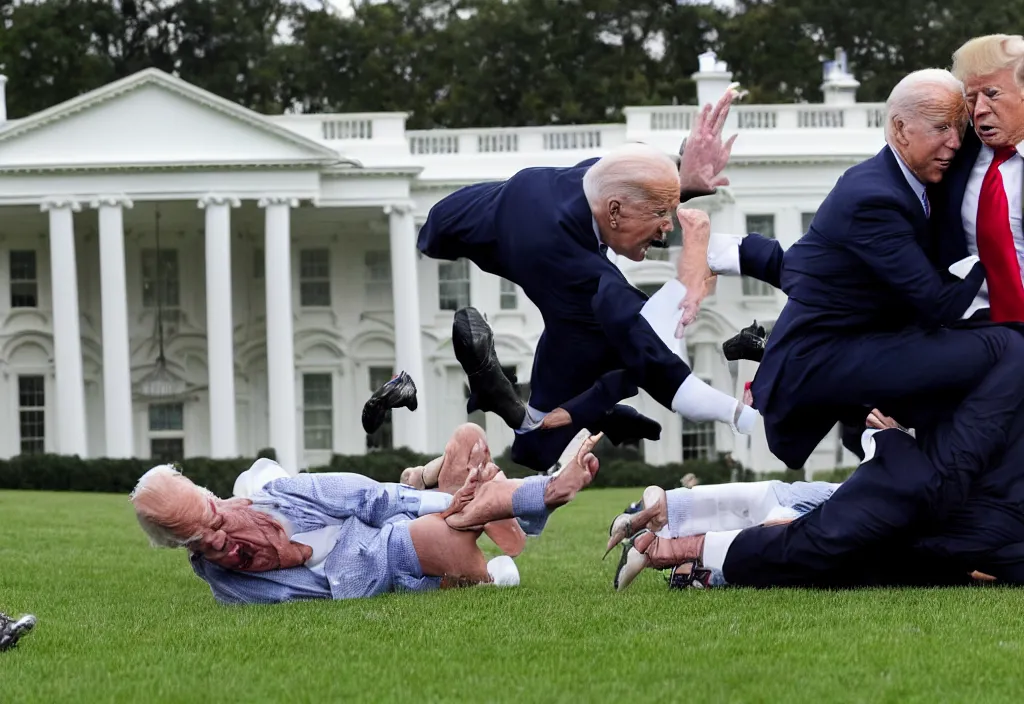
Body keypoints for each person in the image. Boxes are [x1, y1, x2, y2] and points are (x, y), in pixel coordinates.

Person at [414, 89, 757, 473]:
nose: (666, 233)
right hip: (486, 231)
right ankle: (575, 411)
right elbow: (669, 374)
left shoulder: (596, 179)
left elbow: (633, 182)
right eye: (662, 215)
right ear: (613, 212)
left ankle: (575, 416)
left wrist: (684, 178)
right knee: (627, 341)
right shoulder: (580, 272)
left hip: (489, 215)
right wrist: (744, 416)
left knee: (542, 441)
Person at [704, 69, 1024, 471]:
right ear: (901, 129)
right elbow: (937, 303)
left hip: (859, 350)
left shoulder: (915, 182)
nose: (955, 142)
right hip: (830, 360)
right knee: (1007, 347)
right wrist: (995, 249)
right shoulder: (873, 197)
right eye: (942, 128)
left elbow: (804, 267)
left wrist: (733, 254)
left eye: (958, 129)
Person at [607, 327, 1024, 590]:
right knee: (829, 532)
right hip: (926, 484)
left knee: (823, 510)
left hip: (921, 475)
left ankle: (673, 520)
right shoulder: (1003, 351)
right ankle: (678, 542)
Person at [130, 425, 601, 606]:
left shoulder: (279, 492)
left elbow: (366, 498)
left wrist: (441, 502)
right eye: (199, 541)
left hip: (390, 521)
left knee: (468, 443)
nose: (220, 540)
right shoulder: (229, 585)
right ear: (181, 548)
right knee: (450, 532)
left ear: (216, 499)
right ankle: (540, 495)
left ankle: (533, 494)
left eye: (213, 520)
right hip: (388, 551)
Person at [931, 34, 1024, 323]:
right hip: (975, 331)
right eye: (970, 98)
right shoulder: (950, 157)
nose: (979, 109)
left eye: (992, 94)